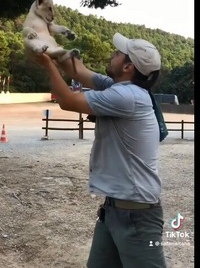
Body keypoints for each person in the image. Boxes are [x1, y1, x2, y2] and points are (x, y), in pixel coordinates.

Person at [35, 32, 167, 268]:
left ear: (128, 66)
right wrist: (49, 45)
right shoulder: (119, 86)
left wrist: (46, 63)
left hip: (137, 217)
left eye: (118, 53)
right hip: (113, 211)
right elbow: (78, 71)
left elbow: (66, 100)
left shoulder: (127, 96)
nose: (112, 53)